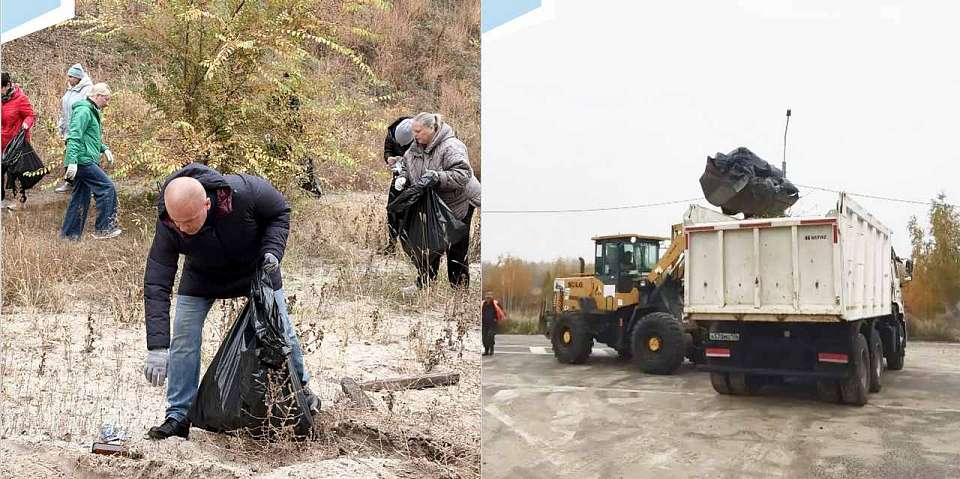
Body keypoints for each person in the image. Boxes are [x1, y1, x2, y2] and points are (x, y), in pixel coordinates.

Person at [141, 163, 319, 440]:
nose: (183, 229)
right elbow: (157, 280)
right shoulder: (169, 222)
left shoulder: (245, 192)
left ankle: (302, 394)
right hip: (202, 276)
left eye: (189, 221)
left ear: (207, 204)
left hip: (257, 270)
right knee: (184, 336)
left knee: (282, 330)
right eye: (178, 223)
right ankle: (178, 414)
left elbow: (279, 212)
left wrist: (272, 252)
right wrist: (157, 346)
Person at [400, 112, 481, 291]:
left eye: (418, 131)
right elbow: (407, 165)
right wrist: (402, 177)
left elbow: (463, 174)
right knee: (428, 242)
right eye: (413, 131)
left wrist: (438, 177)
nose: (415, 135)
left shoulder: (451, 146)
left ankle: (459, 289)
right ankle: (425, 284)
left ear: (433, 128)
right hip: (433, 202)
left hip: (459, 201)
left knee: (456, 246)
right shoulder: (414, 147)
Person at [61, 82, 121, 240]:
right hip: (82, 160)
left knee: (81, 198)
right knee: (107, 188)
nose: (107, 104)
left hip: (84, 158)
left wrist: (104, 148)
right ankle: (104, 229)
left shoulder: (91, 111)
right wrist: (72, 161)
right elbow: (74, 136)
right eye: (106, 99)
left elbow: (90, 137)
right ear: (97, 96)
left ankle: (69, 236)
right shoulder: (84, 111)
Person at [55, 64, 94, 194]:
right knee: (69, 154)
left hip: (80, 129)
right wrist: (61, 126)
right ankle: (70, 182)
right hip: (69, 129)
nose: (69, 79)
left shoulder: (88, 90)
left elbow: (87, 111)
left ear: (78, 78)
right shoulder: (70, 90)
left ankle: (88, 185)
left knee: (81, 156)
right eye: (69, 76)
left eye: (71, 76)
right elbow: (65, 110)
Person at [1, 72, 36, 209]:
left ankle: (19, 199)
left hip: (16, 142)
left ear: (7, 85)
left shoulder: (20, 99)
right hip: (2, 140)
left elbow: (30, 115)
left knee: (16, 172)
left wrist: (26, 124)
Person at [380, 116, 413, 254]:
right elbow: (387, 150)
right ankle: (392, 243)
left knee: (410, 211)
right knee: (392, 208)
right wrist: (389, 158)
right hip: (398, 175)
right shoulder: (391, 133)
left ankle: (411, 246)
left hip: (414, 178)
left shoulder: (418, 132)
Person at [481, 292, 505, 356]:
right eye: (487, 297)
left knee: (490, 336)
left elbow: (502, 312)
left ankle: (491, 350)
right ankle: (486, 350)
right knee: (484, 338)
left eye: (489, 297)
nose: (488, 298)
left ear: (492, 297)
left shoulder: (495, 303)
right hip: (484, 323)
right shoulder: (483, 304)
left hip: (493, 324)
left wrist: (498, 319)